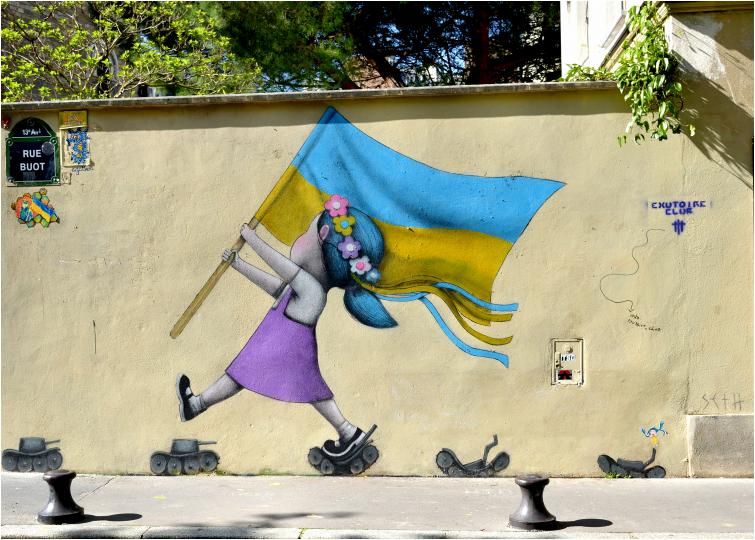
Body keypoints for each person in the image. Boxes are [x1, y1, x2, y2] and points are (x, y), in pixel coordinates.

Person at [176, 194, 395, 459]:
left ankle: (348, 431)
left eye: (306, 233)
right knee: (243, 379)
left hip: (289, 353)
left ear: (323, 235)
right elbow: (277, 287)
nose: (299, 239)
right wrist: (239, 265)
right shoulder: (307, 289)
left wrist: (252, 238)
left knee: (307, 392)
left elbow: (284, 269)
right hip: (275, 347)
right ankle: (195, 405)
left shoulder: (313, 290)